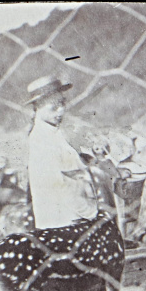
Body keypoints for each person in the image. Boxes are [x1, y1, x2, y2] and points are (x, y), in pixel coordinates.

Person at [25, 76, 97, 229]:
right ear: (38, 105)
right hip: (63, 223)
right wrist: (92, 212)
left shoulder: (53, 134)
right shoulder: (42, 140)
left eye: (63, 103)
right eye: (54, 107)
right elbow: (62, 185)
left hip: (71, 218)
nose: (61, 110)